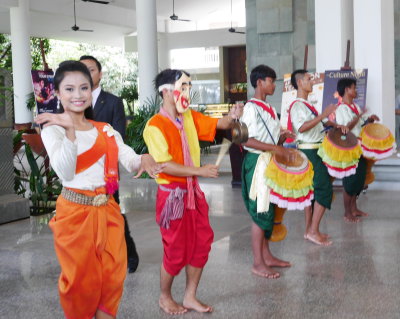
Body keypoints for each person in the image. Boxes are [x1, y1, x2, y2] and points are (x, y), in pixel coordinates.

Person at [35, 60, 163, 319]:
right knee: (81, 284)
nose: (78, 94)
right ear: (58, 93)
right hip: (75, 215)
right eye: (69, 89)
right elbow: (65, 171)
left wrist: (144, 158)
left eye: (83, 87)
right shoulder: (53, 129)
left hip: (108, 211)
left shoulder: (105, 129)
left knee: (112, 278)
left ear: (91, 88)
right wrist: (70, 129)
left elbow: (128, 157)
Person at [143, 69, 242, 315]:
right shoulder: (154, 126)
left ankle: (189, 296)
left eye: (188, 87)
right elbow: (164, 164)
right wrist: (199, 171)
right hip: (172, 196)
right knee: (176, 251)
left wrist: (232, 115)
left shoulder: (188, 117)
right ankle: (165, 297)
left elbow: (220, 124)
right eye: (182, 87)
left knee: (201, 245)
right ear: (165, 91)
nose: (187, 92)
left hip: (192, 193)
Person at [80, 55, 139, 273]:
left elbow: (118, 136)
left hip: (106, 172)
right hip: (80, 175)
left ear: (100, 73)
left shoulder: (113, 101)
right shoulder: (71, 102)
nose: (87, 73)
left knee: (113, 213)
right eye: (82, 70)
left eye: (91, 69)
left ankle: (129, 252)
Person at [241, 65, 294, 279]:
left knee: (268, 209)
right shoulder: (250, 108)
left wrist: (281, 140)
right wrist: (276, 147)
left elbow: (267, 139)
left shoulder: (268, 108)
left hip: (268, 160)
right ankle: (257, 263)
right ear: (260, 82)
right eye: (271, 81)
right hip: (257, 163)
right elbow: (246, 140)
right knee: (260, 212)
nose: (273, 85)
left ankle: (267, 256)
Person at [288, 69, 348, 246]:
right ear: (299, 83)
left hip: (316, 150)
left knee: (312, 193)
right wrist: (323, 115)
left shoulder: (307, 105)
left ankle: (309, 230)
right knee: (324, 189)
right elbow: (302, 128)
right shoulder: (298, 105)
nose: (312, 82)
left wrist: (335, 125)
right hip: (309, 152)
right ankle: (313, 231)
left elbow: (319, 124)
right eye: (308, 79)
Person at [335, 78, 379, 222]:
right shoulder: (341, 108)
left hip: (360, 148)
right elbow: (345, 128)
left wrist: (369, 119)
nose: (356, 90)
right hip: (349, 148)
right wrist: (359, 116)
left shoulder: (355, 107)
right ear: (347, 90)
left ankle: (354, 208)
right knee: (350, 182)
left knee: (359, 179)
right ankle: (347, 213)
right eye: (354, 88)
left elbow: (361, 125)